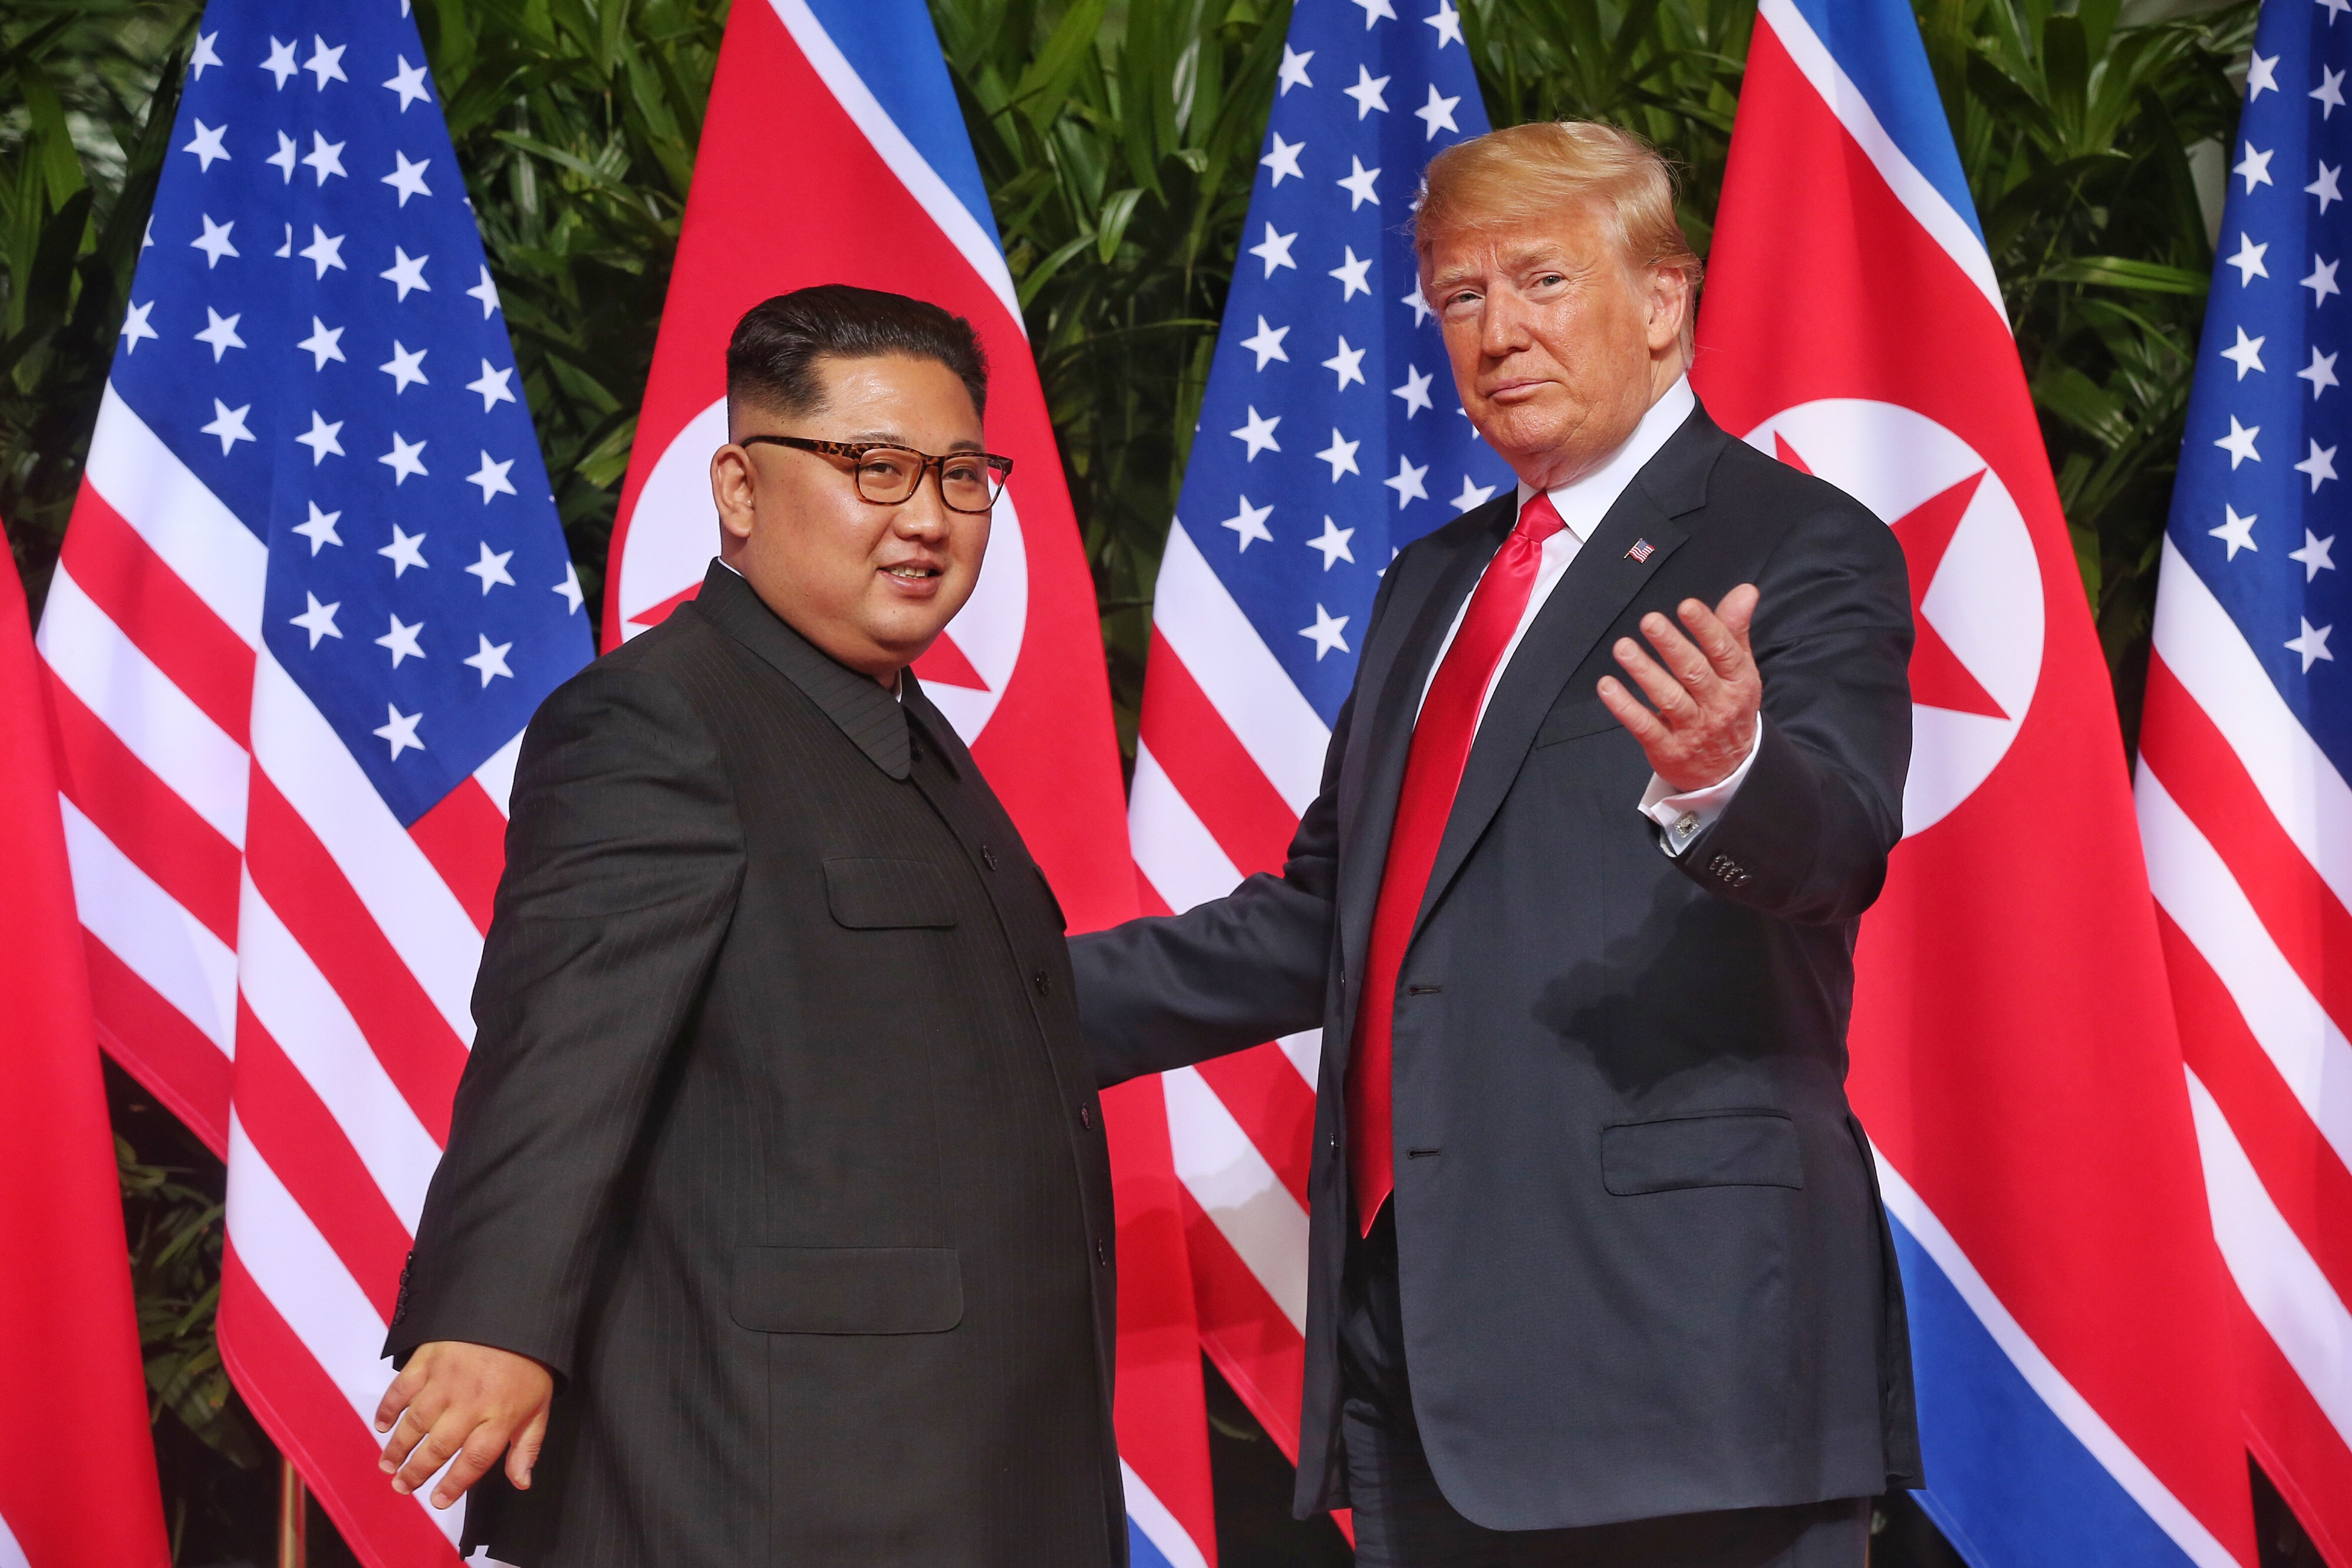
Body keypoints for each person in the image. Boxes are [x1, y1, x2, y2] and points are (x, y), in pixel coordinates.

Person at [1071, 122, 1922, 1567]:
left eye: (1538, 279)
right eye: (1458, 297)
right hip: (1425, 1348)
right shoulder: (1435, 577)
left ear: (1662, 303)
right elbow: (1329, 920)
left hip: (1680, 1353)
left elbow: (1832, 844)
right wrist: (992, 995)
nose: (1495, 331)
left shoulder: (1795, 542)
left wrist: (1728, 774)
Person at [375, 285, 1125, 1567]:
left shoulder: (895, 725)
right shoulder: (662, 717)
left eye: (960, 474)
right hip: (778, 1470)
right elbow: (562, 1043)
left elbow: (995, 1008)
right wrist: (495, 1317)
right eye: (875, 468)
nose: (927, 516)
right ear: (737, 486)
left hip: (965, 1459)